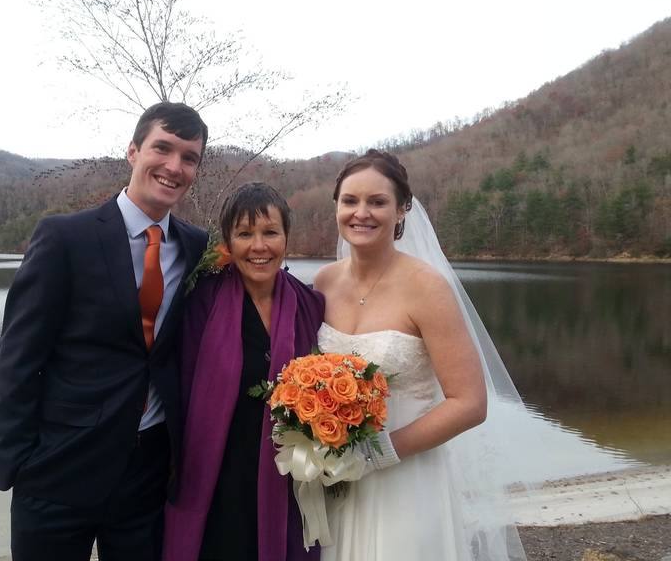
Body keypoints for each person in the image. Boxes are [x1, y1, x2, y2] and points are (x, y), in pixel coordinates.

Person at [0, 102, 210, 561]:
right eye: (162, 149)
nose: (174, 166)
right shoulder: (65, 238)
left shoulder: (195, 247)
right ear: (132, 151)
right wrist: (17, 465)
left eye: (189, 157)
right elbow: (18, 359)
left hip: (147, 474)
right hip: (58, 469)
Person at [313, 149, 526, 560]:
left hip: (408, 478)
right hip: (336, 480)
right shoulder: (323, 282)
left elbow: (470, 403)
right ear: (336, 206)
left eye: (377, 202)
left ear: (402, 209)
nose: (362, 213)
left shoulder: (428, 287)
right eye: (350, 201)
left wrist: (377, 453)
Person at [162, 182, 324, 561]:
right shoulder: (201, 297)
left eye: (270, 232)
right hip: (216, 469)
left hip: (285, 473)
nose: (258, 246)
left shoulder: (308, 303)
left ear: (286, 236)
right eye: (244, 233)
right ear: (228, 241)